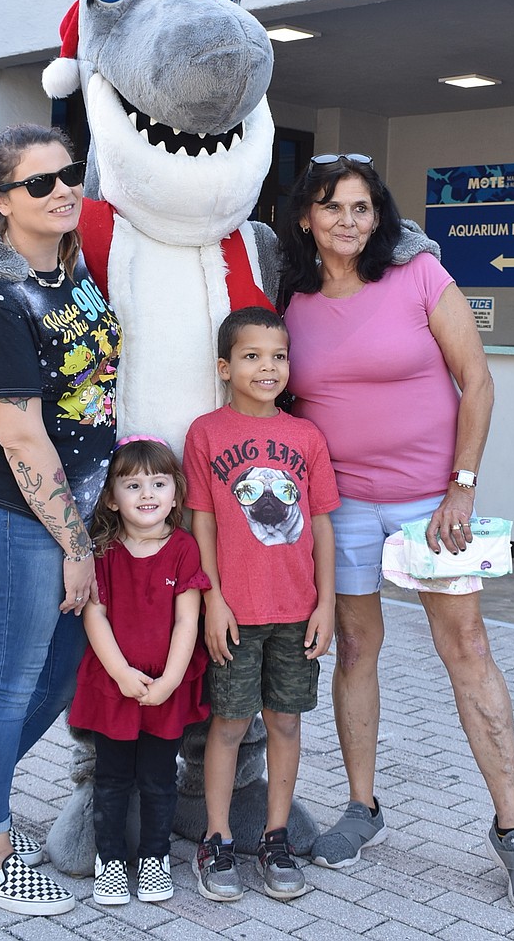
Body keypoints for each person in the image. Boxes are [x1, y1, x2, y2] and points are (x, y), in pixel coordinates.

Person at [279, 153, 514, 919]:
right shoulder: (290, 297)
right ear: (306, 217)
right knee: (356, 649)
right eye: (332, 207)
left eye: (362, 208)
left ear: (381, 217)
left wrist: (461, 485)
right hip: (341, 508)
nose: (348, 220)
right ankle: (362, 809)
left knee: (465, 650)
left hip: (431, 504)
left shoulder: (420, 278)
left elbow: (478, 380)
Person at [0, 124, 122, 917]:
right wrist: (76, 543)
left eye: (68, 174)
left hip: (69, 507)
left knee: (63, 665)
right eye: (39, 184)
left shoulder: (71, 273)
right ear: (0, 202)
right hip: (12, 511)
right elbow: (19, 431)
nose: (62, 190)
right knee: (7, 684)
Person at [183, 306, 339, 902]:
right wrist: (213, 599)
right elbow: (201, 523)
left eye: (278, 357)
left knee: (286, 722)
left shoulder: (306, 437)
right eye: (252, 356)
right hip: (236, 612)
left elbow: (322, 524)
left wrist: (326, 603)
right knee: (227, 724)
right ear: (225, 367)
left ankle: (276, 837)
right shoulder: (206, 433)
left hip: (297, 611)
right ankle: (216, 838)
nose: (267, 367)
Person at [68, 437, 210, 906]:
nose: (147, 493)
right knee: (110, 778)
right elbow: (95, 615)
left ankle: (154, 857)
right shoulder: (103, 551)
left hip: (165, 686)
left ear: (175, 493)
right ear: (112, 497)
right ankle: (108, 859)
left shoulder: (184, 548)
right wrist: (123, 675)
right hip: (115, 684)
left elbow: (189, 618)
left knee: (157, 777)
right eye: (133, 485)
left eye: (158, 482)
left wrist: (170, 680)